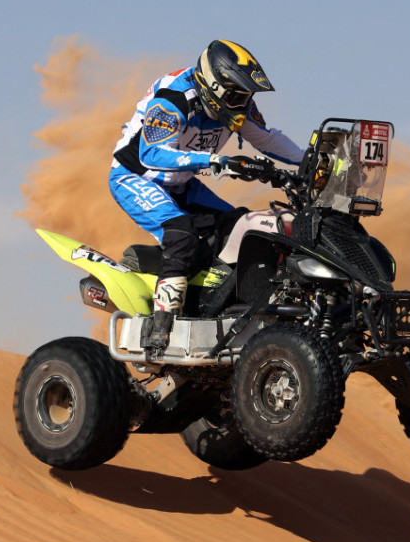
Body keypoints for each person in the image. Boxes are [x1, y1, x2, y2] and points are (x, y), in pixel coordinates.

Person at [108, 39, 305, 352]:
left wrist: (310, 163)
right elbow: (151, 154)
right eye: (237, 95)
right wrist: (213, 161)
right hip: (136, 176)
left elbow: (266, 139)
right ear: (214, 85)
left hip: (181, 182)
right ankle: (162, 326)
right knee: (181, 234)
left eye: (247, 95)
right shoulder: (174, 99)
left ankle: (210, 305)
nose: (244, 103)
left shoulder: (236, 106)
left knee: (241, 226)